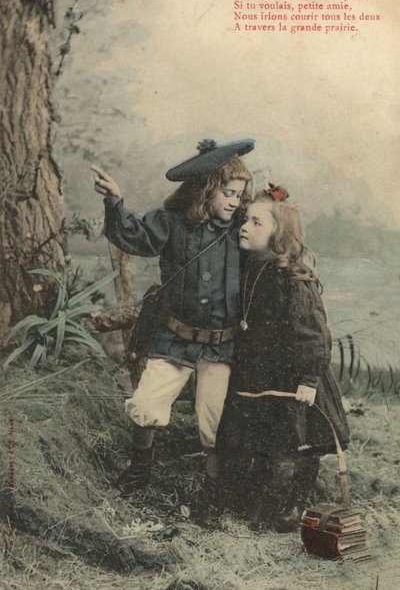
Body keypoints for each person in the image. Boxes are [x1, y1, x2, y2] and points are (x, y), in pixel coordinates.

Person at [92, 138, 254, 514]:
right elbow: (136, 236)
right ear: (205, 190)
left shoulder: (240, 232)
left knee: (214, 424)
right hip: (174, 339)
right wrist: (115, 201)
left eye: (239, 195)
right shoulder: (172, 223)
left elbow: (272, 245)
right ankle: (138, 472)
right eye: (227, 193)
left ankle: (213, 495)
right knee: (146, 404)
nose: (234, 201)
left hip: (221, 347)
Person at [217, 183, 350, 532]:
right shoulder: (252, 268)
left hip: (294, 379)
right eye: (245, 220)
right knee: (261, 442)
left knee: (294, 445)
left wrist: (308, 379)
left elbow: (313, 335)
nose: (245, 227)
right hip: (261, 376)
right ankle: (257, 504)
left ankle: (294, 505)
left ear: (280, 236)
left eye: (257, 223)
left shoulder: (293, 280)